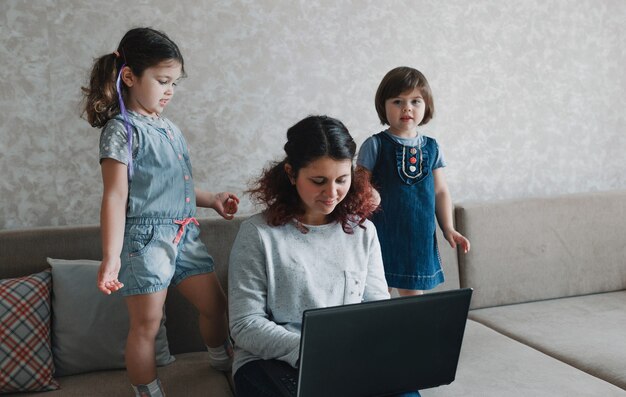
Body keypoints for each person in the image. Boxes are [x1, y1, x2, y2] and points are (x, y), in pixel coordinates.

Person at [82, 27, 239, 397]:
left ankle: (224, 362)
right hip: (146, 240)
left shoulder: (169, 127)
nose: (170, 90)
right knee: (146, 325)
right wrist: (110, 258)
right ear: (130, 77)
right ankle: (148, 390)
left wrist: (212, 198)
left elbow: (175, 187)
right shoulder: (121, 130)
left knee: (216, 305)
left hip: (185, 233)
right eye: (163, 80)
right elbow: (115, 197)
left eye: (175, 83)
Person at [228, 115, 420, 396]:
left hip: (349, 356)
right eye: (318, 181)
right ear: (292, 174)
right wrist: (311, 351)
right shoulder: (258, 234)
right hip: (270, 360)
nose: (332, 193)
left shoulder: (363, 232)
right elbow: (245, 325)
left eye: (342, 179)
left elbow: (377, 308)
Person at [357, 66, 470, 297]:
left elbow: (440, 192)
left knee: (412, 299)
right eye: (397, 101)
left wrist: (448, 227)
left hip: (417, 235)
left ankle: (410, 333)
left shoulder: (432, 147)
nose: (407, 107)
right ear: (383, 105)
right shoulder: (375, 145)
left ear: (426, 106)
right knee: (377, 295)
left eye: (415, 101)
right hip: (381, 234)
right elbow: (359, 187)